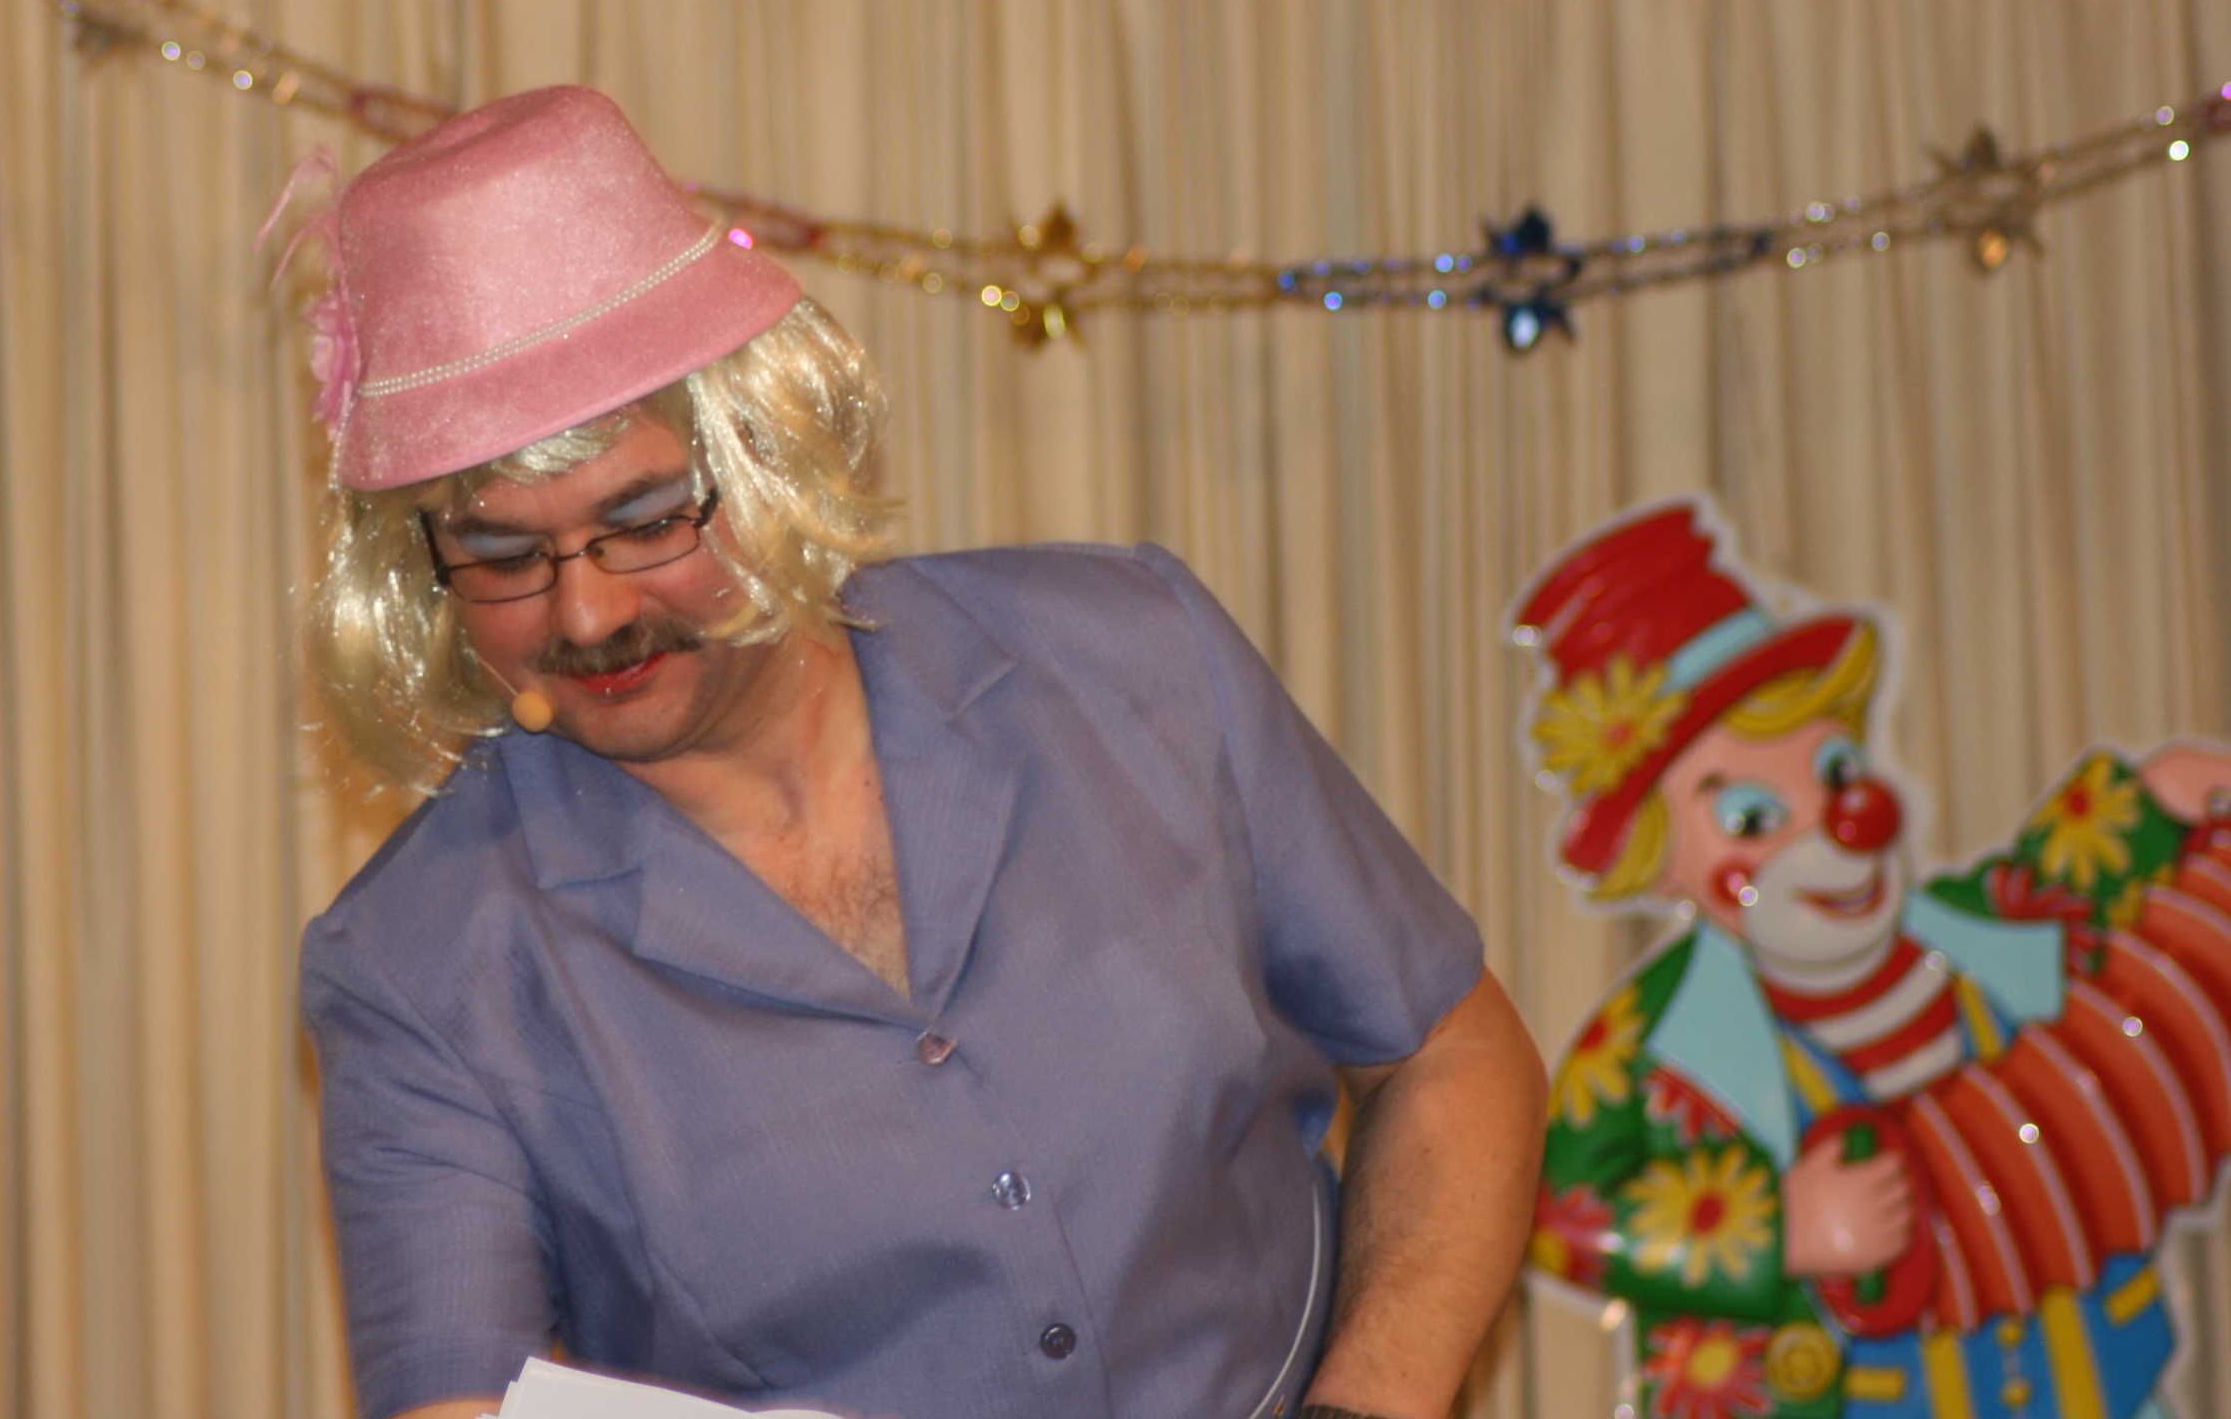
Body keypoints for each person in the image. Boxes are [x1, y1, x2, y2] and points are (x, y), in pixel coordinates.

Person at [292, 86, 1545, 1419]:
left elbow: (1451, 1058)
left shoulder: (1133, 655)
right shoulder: (421, 965)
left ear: (764, 451)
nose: (588, 614)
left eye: (647, 520)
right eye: (502, 555)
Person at [1516, 502, 2231, 1419]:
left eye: (1839, 773)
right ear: (1657, 863)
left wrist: (2152, 796)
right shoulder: (1646, 1051)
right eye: (1751, 817)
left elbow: (2049, 873)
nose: (1841, 826)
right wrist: (1783, 1233)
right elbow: (1545, 1209)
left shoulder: (1977, 932)